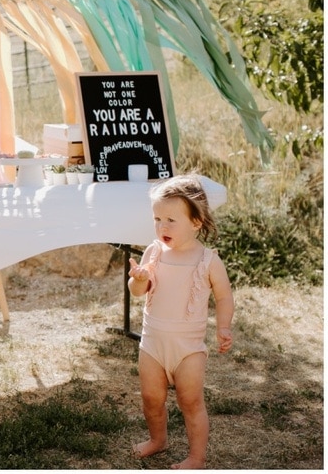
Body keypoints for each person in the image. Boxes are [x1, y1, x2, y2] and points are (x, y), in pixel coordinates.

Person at [128, 174, 234, 469]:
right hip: (152, 343)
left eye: (171, 220)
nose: (162, 226)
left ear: (196, 222)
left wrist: (223, 326)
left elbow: (224, 297)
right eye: (157, 218)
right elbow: (138, 293)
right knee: (151, 397)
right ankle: (157, 440)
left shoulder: (208, 260)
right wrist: (139, 280)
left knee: (190, 402)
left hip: (188, 347)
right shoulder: (154, 253)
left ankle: (196, 457)